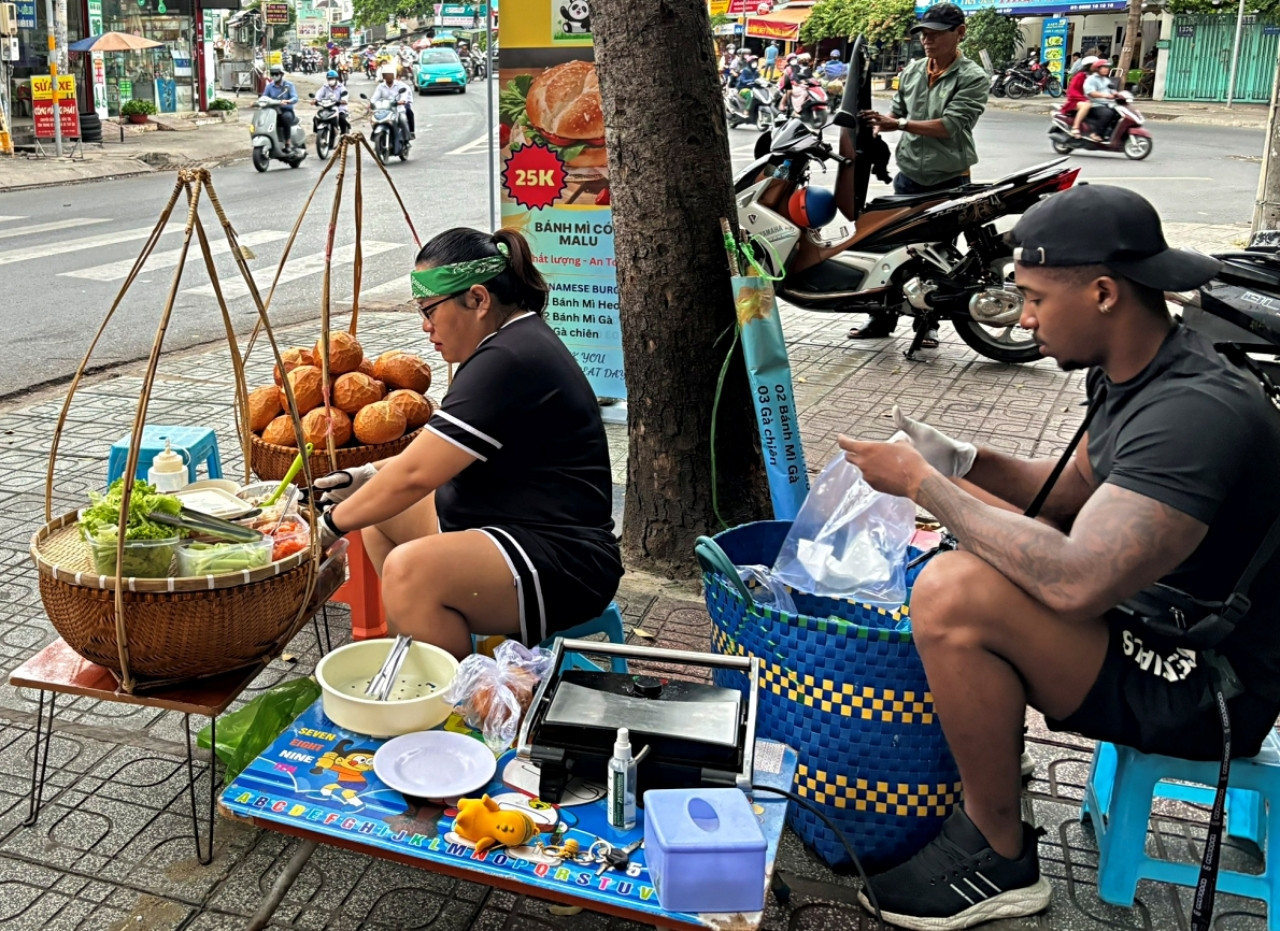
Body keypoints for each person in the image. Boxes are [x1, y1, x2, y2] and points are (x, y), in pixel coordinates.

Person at [837, 184, 1280, 930]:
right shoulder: (1139, 364)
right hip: (1158, 618)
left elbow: (1076, 579)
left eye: (1035, 297)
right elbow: (1073, 491)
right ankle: (988, 759)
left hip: (1209, 683)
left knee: (953, 591)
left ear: (1103, 292)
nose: (1023, 317)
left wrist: (924, 486)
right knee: (987, 532)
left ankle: (996, 852)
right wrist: (963, 461)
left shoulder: (1194, 415)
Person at [315, 228, 624, 659]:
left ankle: (458, 705)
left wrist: (327, 526)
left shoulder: (507, 360)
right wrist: (365, 477)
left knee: (409, 571)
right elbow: (429, 457)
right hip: (505, 526)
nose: (426, 327)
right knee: (379, 515)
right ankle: (424, 637)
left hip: (563, 560)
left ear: (478, 300)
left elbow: (415, 475)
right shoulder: (507, 344)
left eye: (430, 311)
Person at [851, 1, 987, 343]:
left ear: (959, 34)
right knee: (891, 251)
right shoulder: (912, 71)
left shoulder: (972, 77)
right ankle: (880, 320)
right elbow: (896, 111)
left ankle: (927, 327)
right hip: (908, 174)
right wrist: (876, 129)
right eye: (924, 33)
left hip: (950, 178)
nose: (927, 40)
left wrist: (897, 123)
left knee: (939, 256)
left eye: (936, 34)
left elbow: (952, 126)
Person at [371, 63, 414, 150]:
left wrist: (402, 101)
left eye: (390, 75)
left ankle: (406, 140)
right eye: (386, 75)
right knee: (375, 120)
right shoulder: (380, 86)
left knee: (403, 120)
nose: (388, 77)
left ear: (393, 75)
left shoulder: (401, 86)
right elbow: (375, 97)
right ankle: (377, 140)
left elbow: (404, 95)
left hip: (398, 109)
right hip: (385, 110)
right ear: (383, 76)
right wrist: (371, 103)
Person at [262, 64, 299, 154]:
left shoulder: (289, 85)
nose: (274, 76)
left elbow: (295, 97)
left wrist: (288, 101)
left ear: (282, 74)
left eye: (276, 74)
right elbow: (264, 97)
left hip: (286, 111)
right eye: (272, 74)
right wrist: (256, 103)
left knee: (286, 118)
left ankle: (287, 143)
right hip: (272, 111)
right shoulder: (269, 86)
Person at [1082, 58, 1119, 140]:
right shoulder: (1091, 79)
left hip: (1108, 104)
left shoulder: (1106, 80)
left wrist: (1117, 94)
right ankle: (1095, 133)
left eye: (1107, 67)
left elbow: (1112, 90)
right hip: (1095, 105)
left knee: (1119, 113)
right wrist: (1106, 95)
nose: (1106, 69)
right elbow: (1091, 93)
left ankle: (1110, 134)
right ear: (1097, 69)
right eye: (1104, 67)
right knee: (1107, 114)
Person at [1065, 55, 1097, 137]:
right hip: (1075, 100)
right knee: (1086, 105)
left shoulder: (1097, 76)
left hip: (1093, 100)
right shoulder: (1080, 76)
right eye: (1095, 65)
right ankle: (1075, 127)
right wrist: (1084, 99)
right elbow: (1072, 91)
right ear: (1089, 66)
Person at [316, 69, 350, 135]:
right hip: (327, 108)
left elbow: (345, 94)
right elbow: (319, 94)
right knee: (316, 117)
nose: (331, 80)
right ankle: (318, 132)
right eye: (329, 79)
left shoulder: (341, 87)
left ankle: (344, 135)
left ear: (336, 79)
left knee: (342, 119)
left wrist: (343, 100)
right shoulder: (325, 87)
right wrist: (315, 100)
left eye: (333, 78)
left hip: (339, 109)